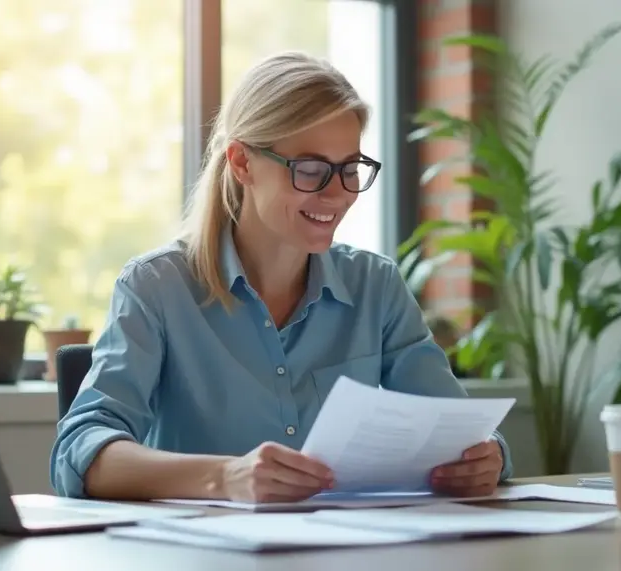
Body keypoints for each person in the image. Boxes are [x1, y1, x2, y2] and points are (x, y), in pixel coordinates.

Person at [49, 51, 513, 504]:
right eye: (310, 170)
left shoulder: (376, 286)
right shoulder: (156, 287)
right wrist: (226, 477)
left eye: (349, 169)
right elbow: (81, 452)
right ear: (242, 163)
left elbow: (459, 428)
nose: (336, 193)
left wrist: (485, 456)